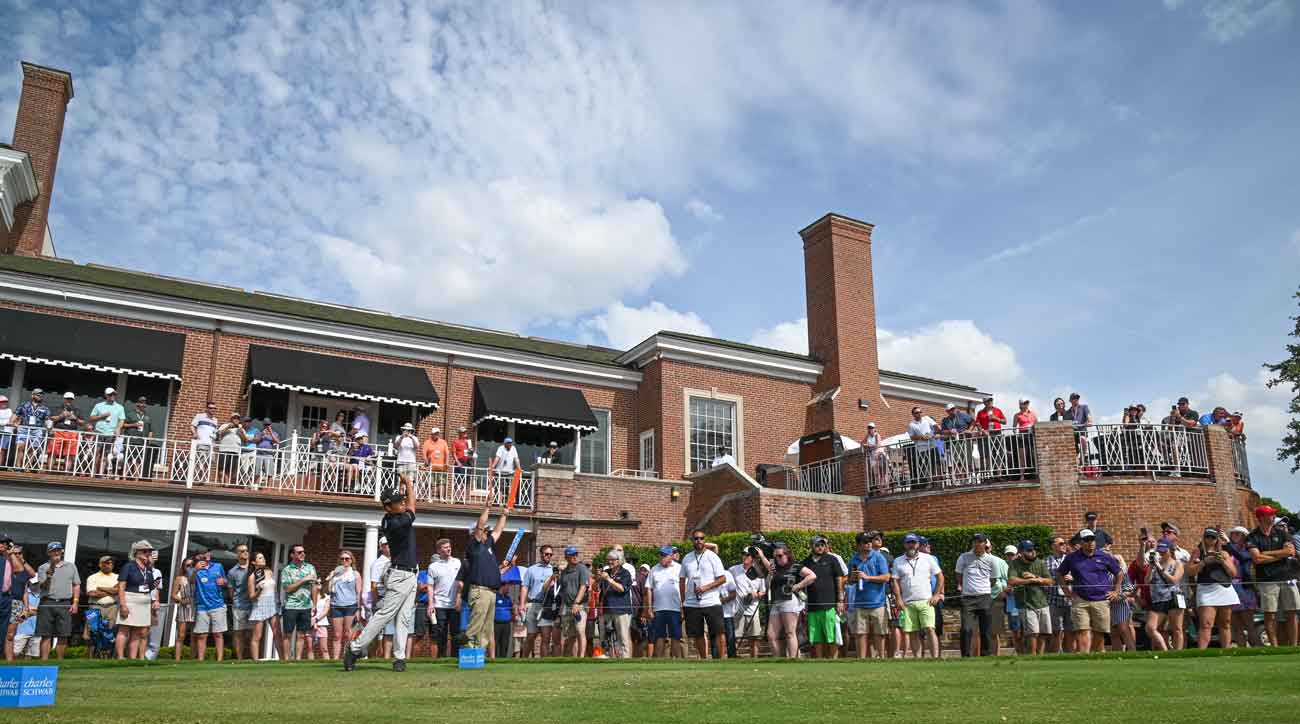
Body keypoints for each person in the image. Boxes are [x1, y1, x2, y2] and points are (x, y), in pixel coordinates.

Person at [345, 474, 419, 672]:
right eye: (397, 502)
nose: (402, 503)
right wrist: (409, 484)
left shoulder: (393, 517)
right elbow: (413, 509)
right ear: (388, 507)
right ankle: (355, 648)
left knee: (403, 619)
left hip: (410, 575)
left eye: (401, 499)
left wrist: (407, 485)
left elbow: (409, 505)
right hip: (400, 575)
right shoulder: (396, 522)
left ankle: (399, 658)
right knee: (385, 615)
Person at [1056, 528, 1122, 653]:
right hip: (1080, 599)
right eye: (1086, 540)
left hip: (1102, 599)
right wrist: (1066, 592)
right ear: (1081, 542)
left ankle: (1096, 656)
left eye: (1092, 540)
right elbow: (1059, 574)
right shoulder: (1072, 558)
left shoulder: (1104, 556)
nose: (1090, 542)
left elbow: (1118, 573)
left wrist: (1116, 591)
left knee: (1099, 632)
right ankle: (1084, 657)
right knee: (1082, 630)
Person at [1245, 504, 1299, 647]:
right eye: (1270, 514)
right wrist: (1281, 555)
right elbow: (1256, 559)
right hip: (1267, 580)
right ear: (1261, 517)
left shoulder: (1282, 533)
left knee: (1292, 612)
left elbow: (1291, 552)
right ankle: (1274, 647)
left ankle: (1293, 646)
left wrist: (1267, 554)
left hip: (1287, 578)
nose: (1273, 516)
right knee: (1270, 614)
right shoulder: (1253, 536)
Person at [462, 495, 508, 652]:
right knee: (476, 624)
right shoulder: (473, 546)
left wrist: (504, 514)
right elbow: (480, 525)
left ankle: (478, 655)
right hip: (479, 591)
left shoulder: (487, 545)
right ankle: (467, 650)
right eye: (484, 531)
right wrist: (487, 507)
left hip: (491, 592)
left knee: (487, 629)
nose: (487, 533)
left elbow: (498, 531)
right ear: (475, 533)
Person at [889, 534, 944, 658]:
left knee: (930, 629)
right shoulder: (898, 560)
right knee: (913, 632)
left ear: (918, 544)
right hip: (908, 602)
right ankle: (917, 658)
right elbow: (895, 581)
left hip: (926, 601)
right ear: (905, 544)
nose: (911, 545)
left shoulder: (928, 558)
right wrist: (898, 598)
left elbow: (940, 576)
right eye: (909, 542)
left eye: (914, 542)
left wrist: (936, 595)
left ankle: (935, 658)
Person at [679, 529, 727, 660]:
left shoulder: (712, 556)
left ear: (705, 539)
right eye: (696, 538)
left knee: (719, 631)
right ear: (692, 541)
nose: (699, 540)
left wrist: (706, 587)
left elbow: (723, 578)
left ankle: (722, 659)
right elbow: (682, 580)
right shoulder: (687, 558)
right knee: (697, 633)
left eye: (701, 538)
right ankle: (704, 659)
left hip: (711, 600)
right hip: (692, 602)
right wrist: (683, 601)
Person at [761, 541, 815, 658]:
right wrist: (770, 574)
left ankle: (792, 659)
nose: (778, 559)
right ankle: (778, 659)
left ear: (787, 555)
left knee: (790, 632)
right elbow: (767, 585)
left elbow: (812, 575)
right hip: (776, 601)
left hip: (789, 600)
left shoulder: (794, 566)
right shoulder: (774, 568)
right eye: (775, 556)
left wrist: (798, 586)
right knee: (771, 634)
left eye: (780, 556)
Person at [1188, 528, 1238, 649]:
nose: (1210, 540)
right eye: (1207, 537)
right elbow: (1190, 571)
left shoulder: (1224, 553)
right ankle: (1202, 652)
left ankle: (1226, 650)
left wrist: (1223, 562)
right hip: (1206, 589)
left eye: (1213, 537)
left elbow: (1233, 573)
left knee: (1225, 623)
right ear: (1203, 537)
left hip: (1224, 588)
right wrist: (1204, 562)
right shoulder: (1198, 551)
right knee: (1206, 623)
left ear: (1217, 539)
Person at [798, 534, 846, 659]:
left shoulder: (832, 559)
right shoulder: (805, 562)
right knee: (816, 637)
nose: (820, 547)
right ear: (811, 546)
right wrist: (803, 603)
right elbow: (801, 585)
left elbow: (839, 579)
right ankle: (819, 660)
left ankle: (833, 660)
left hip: (830, 605)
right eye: (817, 545)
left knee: (832, 635)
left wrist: (840, 600)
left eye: (822, 545)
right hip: (813, 606)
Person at [33, 541, 79, 660]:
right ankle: (44, 662)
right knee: (46, 635)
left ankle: (60, 662)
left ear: (62, 551)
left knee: (63, 635)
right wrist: (49, 576)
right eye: (53, 550)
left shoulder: (71, 566)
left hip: (65, 603)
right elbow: (42, 587)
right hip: (47, 602)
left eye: (58, 550)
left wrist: (75, 602)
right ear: (48, 553)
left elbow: (76, 585)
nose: (56, 552)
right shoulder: (43, 567)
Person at [848, 532, 890, 658]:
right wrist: (852, 578)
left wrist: (867, 577)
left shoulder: (879, 557)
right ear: (858, 545)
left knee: (880, 633)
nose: (869, 544)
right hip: (860, 603)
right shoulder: (853, 560)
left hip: (878, 602)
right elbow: (849, 582)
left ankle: (881, 658)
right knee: (860, 634)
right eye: (865, 542)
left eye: (870, 541)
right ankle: (861, 660)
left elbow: (886, 577)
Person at [954, 533, 998, 657]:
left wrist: (982, 588)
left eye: (980, 541)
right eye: (974, 541)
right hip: (968, 598)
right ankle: (965, 656)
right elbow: (958, 575)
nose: (976, 544)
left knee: (986, 630)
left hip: (985, 597)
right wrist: (966, 587)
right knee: (966, 628)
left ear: (985, 544)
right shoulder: (963, 557)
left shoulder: (992, 560)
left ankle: (986, 655)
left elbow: (993, 580)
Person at [114, 540, 158, 659]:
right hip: (130, 599)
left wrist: (155, 593)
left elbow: (149, 586)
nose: (148, 553)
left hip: (144, 601)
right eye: (145, 551)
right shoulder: (129, 566)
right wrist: (123, 605)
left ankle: (133, 659)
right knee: (124, 629)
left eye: (149, 551)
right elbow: (121, 587)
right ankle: (120, 657)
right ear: (136, 552)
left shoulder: (148, 568)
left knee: (138, 631)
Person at [1007, 540, 1051, 655]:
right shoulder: (1015, 564)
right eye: (1029, 550)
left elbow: (1050, 581)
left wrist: (1036, 578)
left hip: (1042, 602)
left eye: (1033, 549)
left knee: (1044, 633)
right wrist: (1029, 581)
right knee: (1033, 633)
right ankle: (1032, 657)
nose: (1033, 552)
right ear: (1021, 552)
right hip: (1025, 604)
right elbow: (1012, 580)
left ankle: (1040, 656)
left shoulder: (1040, 563)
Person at [1145, 540, 1186, 651]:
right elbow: (1147, 581)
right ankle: (1165, 650)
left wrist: (1160, 568)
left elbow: (1174, 580)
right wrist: (1151, 567)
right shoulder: (1155, 564)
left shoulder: (1177, 563)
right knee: (1150, 627)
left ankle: (1178, 652)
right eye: (1160, 551)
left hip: (1174, 597)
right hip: (1158, 599)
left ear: (1170, 550)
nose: (1162, 553)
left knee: (1176, 628)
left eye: (1164, 551)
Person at [643, 545, 683, 658]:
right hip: (658, 610)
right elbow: (649, 589)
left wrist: (683, 606)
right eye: (660, 555)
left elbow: (684, 588)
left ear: (671, 556)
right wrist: (649, 608)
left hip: (675, 609)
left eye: (664, 555)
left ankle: (677, 662)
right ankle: (658, 662)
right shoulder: (654, 569)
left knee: (675, 636)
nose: (661, 557)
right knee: (659, 637)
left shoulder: (679, 568)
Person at [280, 544, 319, 660]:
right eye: (299, 552)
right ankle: (286, 659)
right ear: (292, 555)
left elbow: (314, 587)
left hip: (306, 606)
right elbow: (287, 588)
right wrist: (304, 580)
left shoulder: (310, 568)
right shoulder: (287, 570)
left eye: (303, 552)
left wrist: (315, 604)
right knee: (287, 634)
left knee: (301, 634)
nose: (302, 554)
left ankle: (297, 659)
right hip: (290, 606)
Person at [189, 548, 228, 661]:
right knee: (202, 635)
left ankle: (219, 660)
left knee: (218, 634)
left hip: (218, 605)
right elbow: (190, 582)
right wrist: (196, 570)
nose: (206, 555)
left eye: (207, 553)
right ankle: (200, 660)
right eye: (203, 554)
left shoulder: (218, 566)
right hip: (202, 606)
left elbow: (225, 581)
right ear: (198, 557)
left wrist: (223, 582)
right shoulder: (194, 569)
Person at [1225, 526, 1261, 646]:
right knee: (1236, 625)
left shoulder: (1247, 551)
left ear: (1244, 537)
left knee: (1248, 623)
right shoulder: (1226, 551)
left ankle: (1257, 647)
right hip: (1231, 588)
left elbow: (1242, 557)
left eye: (1238, 534)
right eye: (1233, 534)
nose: (1234, 536)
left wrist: (1229, 544)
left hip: (1244, 588)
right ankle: (1242, 649)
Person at [427, 537, 462, 658]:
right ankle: (441, 658)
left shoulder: (457, 562)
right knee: (440, 633)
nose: (449, 549)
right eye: (446, 547)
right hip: (439, 604)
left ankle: (454, 658)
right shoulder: (433, 567)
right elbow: (430, 586)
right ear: (439, 550)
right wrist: (431, 604)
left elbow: (461, 582)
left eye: (449, 547)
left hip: (454, 604)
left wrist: (459, 598)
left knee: (455, 633)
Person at [596, 550, 634, 658]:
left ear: (619, 560)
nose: (610, 562)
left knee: (623, 637)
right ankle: (605, 657)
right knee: (603, 637)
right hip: (606, 609)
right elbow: (595, 588)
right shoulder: (606, 571)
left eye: (612, 560)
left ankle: (625, 660)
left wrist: (609, 580)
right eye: (608, 560)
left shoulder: (625, 573)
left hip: (621, 610)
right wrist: (598, 579)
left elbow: (622, 589)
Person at [728, 549, 765, 658]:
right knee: (735, 637)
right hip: (737, 610)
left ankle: (754, 659)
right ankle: (734, 660)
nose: (744, 556)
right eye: (743, 554)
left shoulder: (759, 572)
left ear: (752, 557)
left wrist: (755, 595)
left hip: (753, 610)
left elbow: (763, 591)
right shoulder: (733, 570)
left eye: (747, 555)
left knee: (754, 638)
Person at [519, 545, 554, 657]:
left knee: (546, 636)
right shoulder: (531, 569)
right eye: (546, 554)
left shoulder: (554, 570)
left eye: (550, 554)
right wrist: (522, 604)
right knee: (531, 635)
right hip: (533, 603)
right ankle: (523, 660)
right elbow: (525, 587)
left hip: (546, 606)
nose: (548, 556)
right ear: (541, 554)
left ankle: (543, 662)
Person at [327, 549, 362, 659]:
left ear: (351, 560)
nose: (344, 561)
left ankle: (347, 657)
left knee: (348, 634)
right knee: (337, 635)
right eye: (342, 559)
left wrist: (358, 609)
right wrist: (331, 577)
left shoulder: (355, 574)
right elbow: (327, 590)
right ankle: (335, 659)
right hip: (336, 605)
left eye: (347, 559)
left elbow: (358, 592)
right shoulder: (334, 573)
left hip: (350, 605)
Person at [84, 555, 119, 658]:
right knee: (93, 633)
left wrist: (101, 588)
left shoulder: (117, 577)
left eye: (111, 563)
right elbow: (92, 593)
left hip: (112, 607)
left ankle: (106, 657)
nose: (110, 565)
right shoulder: (93, 577)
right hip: (96, 606)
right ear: (100, 565)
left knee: (110, 632)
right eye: (107, 563)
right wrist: (111, 591)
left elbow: (118, 590)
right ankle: (91, 657)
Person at [558, 546, 590, 657]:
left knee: (580, 631)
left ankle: (581, 658)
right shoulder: (565, 572)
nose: (575, 557)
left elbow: (583, 587)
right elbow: (562, 590)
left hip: (580, 605)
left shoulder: (582, 568)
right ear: (567, 557)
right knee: (569, 635)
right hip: (567, 606)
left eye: (576, 554)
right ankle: (571, 658)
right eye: (572, 555)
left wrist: (576, 603)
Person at [1044, 535, 1073, 653]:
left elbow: (1082, 575)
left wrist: (1073, 577)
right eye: (1061, 543)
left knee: (1071, 630)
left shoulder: (1071, 559)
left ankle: (1070, 655)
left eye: (1064, 543)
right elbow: (1044, 579)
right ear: (1053, 546)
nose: (1064, 545)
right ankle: (1056, 655)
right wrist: (1056, 579)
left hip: (1071, 600)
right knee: (1056, 631)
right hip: (1053, 600)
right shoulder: (1046, 561)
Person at [88, 387, 126, 476]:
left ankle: (100, 473)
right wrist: (101, 416)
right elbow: (91, 418)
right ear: (106, 395)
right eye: (110, 394)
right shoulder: (99, 405)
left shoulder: (120, 407)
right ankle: (93, 473)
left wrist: (118, 428)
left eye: (114, 394)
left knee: (106, 454)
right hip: (99, 432)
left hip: (111, 434)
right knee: (96, 453)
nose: (112, 396)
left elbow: (122, 420)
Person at [247, 551, 278, 660]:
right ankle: (256, 662)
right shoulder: (252, 577)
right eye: (260, 558)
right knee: (257, 636)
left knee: (277, 633)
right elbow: (251, 596)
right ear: (254, 562)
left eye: (263, 557)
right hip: (259, 606)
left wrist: (277, 601)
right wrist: (259, 590)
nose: (263, 559)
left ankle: (283, 659)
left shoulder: (269, 571)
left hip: (272, 606)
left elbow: (274, 589)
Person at [226, 544, 253, 659]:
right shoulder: (232, 572)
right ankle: (239, 659)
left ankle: (253, 658)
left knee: (253, 634)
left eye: (247, 550)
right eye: (242, 551)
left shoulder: (254, 568)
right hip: (239, 606)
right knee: (238, 633)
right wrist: (236, 602)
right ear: (237, 554)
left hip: (254, 606)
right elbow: (231, 591)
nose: (245, 553)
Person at [13, 388, 51, 470]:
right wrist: (13, 423)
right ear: (32, 395)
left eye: (41, 395)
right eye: (38, 395)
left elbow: (47, 420)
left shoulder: (45, 408)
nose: (40, 396)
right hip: (24, 428)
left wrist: (49, 427)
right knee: (20, 447)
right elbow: (15, 416)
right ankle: (18, 467)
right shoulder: (23, 405)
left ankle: (27, 467)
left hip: (37, 430)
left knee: (33, 449)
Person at [120, 395, 156, 479]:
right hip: (131, 440)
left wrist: (149, 440)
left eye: (144, 403)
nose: (143, 405)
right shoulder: (130, 414)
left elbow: (151, 430)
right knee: (128, 459)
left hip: (142, 441)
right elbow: (123, 425)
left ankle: (136, 477)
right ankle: (125, 477)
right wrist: (134, 424)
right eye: (141, 403)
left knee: (139, 460)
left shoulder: (147, 417)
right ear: (137, 404)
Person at [906, 406, 940, 486]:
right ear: (913, 414)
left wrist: (931, 434)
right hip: (922, 448)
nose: (919, 414)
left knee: (936, 463)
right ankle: (929, 482)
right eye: (917, 413)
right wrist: (921, 437)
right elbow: (912, 437)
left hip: (932, 445)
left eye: (920, 412)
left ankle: (938, 482)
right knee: (926, 466)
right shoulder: (911, 425)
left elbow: (937, 427)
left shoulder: (927, 418)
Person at [170, 557, 195, 660]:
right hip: (184, 606)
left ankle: (192, 659)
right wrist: (181, 601)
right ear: (183, 567)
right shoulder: (179, 578)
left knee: (195, 635)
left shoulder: (198, 577)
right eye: (187, 565)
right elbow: (173, 595)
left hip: (196, 606)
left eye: (192, 565)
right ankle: (177, 659)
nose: (190, 567)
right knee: (181, 635)